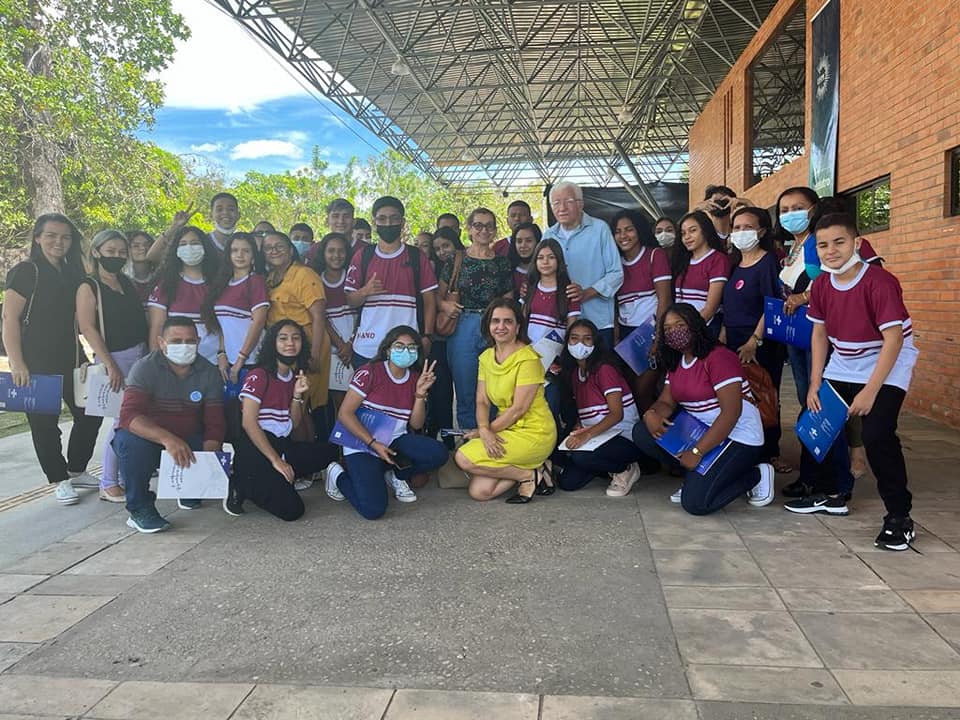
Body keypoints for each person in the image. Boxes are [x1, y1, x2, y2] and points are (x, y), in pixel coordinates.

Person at [791, 213, 920, 551]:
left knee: (876, 435)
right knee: (815, 423)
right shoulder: (821, 285)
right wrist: (815, 382)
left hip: (887, 362)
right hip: (845, 361)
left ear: (857, 243)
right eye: (823, 245)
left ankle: (899, 516)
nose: (831, 250)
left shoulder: (880, 282)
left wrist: (870, 391)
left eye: (839, 242)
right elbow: (819, 333)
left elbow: (894, 340)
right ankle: (830, 493)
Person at [631, 303, 774, 514]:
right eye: (668, 329)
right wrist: (651, 414)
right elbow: (667, 402)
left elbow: (731, 413)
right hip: (702, 430)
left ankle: (755, 475)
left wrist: (698, 451)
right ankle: (699, 476)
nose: (674, 332)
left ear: (695, 325)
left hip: (738, 437)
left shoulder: (719, 357)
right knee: (643, 432)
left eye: (680, 325)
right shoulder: (677, 360)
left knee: (695, 503)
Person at [1, 214, 104, 505]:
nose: (59, 242)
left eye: (65, 237)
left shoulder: (73, 272)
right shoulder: (26, 272)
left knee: (91, 412)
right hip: (35, 360)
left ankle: (76, 469)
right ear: (38, 238)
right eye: (51, 235)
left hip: (73, 356)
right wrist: (17, 362)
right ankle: (59, 479)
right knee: (44, 424)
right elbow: (9, 318)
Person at [113, 317, 225, 532]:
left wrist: (207, 461)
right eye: (176, 341)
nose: (184, 346)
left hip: (189, 437)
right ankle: (140, 509)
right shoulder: (145, 368)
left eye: (190, 341)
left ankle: (189, 488)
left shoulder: (209, 372)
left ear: (198, 342)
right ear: (161, 343)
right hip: (151, 438)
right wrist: (168, 439)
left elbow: (215, 422)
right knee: (129, 442)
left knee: (211, 441)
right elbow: (129, 415)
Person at [325, 326, 448, 518]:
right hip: (361, 444)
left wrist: (420, 394)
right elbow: (345, 414)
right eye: (399, 346)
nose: (405, 351)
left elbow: (416, 425)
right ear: (388, 350)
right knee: (373, 510)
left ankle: (394, 474)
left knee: (438, 453)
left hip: (394, 441)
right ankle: (337, 475)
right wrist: (373, 444)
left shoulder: (415, 378)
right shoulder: (369, 372)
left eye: (411, 347)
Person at [455, 299, 557, 503]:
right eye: (495, 321)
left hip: (534, 432)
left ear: (518, 327)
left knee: (463, 457)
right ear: (488, 325)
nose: (500, 327)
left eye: (508, 321)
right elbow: (482, 401)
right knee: (480, 492)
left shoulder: (528, 359)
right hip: (505, 429)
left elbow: (518, 409)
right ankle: (534, 470)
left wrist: (486, 431)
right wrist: (483, 429)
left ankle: (528, 475)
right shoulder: (486, 357)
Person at [226, 320, 324, 521]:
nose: (290, 343)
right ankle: (240, 482)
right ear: (273, 343)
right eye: (283, 338)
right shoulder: (259, 375)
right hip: (256, 446)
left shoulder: (295, 376)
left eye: (296, 338)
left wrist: (297, 395)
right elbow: (249, 423)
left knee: (329, 451)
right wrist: (276, 461)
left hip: (281, 443)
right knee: (292, 510)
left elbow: (294, 423)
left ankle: (273, 477)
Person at [76, 230, 149, 503]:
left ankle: (122, 475)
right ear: (97, 252)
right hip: (115, 358)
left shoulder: (126, 282)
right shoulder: (89, 286)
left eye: (121, 252)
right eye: (110, 251)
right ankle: (108, 482)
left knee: (134, 418)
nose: (116, 256)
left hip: (139, 355)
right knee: (122, 421)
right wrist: (109, 364)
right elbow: (87, 327)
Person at [719, 207, 789, 472]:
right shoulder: (734, 264)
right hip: (732, 339)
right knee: (739, 396)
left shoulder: (768, 262)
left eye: (747, 227)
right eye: (736, 228)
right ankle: (743, 447)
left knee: (765, 395)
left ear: (761, 232)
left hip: (760, 342)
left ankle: (770, 452)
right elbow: (729, 303)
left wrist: (754, 340)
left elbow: (772, 304)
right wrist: (724, 330)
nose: (740, 232)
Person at [439, 207, 514, 431]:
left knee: (495, 385)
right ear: (469, 229)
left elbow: (508, 298)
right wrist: (446, 306)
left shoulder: (502, 263)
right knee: (465, 387)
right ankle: (468, 440)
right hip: (463, 324)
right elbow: (437, 295)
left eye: (489, 226)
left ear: (495, 230)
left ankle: (492, 436)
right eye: (478, 225)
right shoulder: (456, 259)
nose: (484, 230)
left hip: (494, 326)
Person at [553, 320, 645, 496]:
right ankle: (603, 468)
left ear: (595, 342)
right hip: (596, 437)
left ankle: (625, 468)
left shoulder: (604, 369)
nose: (580, 344)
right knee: (567, 482)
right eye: (574, 338)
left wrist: (586, 435)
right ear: (567, 342)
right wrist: (579, 427)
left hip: (622, 437)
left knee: (581, 457)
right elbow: (586, 410)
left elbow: (616, 414)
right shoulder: (575, 373)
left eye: (587, 339)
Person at [345, 196, 438, 367]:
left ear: (402, 222)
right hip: (367, 348)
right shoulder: (363, 256)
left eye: (393, 218)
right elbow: (350, 300)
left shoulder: (417, 257)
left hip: (407, 348)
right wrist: (365, 291)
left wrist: (427, 336)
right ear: (374, 222)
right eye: (382, 218)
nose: (388, 224)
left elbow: (429, 300)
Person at [201, 233, 269, 441]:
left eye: (246, 251)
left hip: (252, 362)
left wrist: (240, 359)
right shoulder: (223, 284)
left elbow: (258, 322)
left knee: (249, 419)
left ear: (253, 256)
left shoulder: (255, 281)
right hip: (229, 363)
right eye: (234, 250)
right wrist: (222, 353)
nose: (240, 255)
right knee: (229, 420)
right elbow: (223, 324)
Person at [263, 230, 331, 432]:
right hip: (284, 348)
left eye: (279, 246)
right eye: (268, 248)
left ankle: (310, 449)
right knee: (288, 401)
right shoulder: (270, 278)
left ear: (291, 250)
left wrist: (314, 355)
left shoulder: (304, 275)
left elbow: (319, 316)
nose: (274, 251)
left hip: (307, 346)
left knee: (301, 402)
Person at [542, 181, 624, 347]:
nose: (562, 208)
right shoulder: (548, 235)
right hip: (561, 323)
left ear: (580, 204)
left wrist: (587, 293)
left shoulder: (599, 229)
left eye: (568, 201)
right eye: (556, 203)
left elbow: (616, 273)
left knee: (601, 363)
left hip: (597, 320)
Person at [612, 209, 672, 409]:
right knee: (630, 394)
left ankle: (651, 427)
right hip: (626, 335)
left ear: (639, 230)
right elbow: (615, 305)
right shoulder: (615, 262)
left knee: (642, 392)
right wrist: (617, 337)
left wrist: (658, 337)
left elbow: (665, 299)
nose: (623, 235)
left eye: (629, 229)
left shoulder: (655, 255)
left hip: (649, 333)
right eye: (618, 231)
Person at [147, 225, 221, 364]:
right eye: (183, 244)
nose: (189, 248)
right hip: (176, 362)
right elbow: (157, 327)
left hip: (214, 361)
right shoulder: (166, 285)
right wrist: (156, 364)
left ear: (205, 247)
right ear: (176, 250)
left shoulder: (218, 283)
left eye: (194, 243)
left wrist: (222, 354)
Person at [426, 227, 463, 447]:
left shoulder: (466, 264)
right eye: (437, 248)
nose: (442, 252)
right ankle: (444, 438)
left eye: (446, 246)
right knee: (440, 391)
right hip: (439, 338)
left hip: (462, 334)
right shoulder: (429, 269)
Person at [312, 232, 357, 404]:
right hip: (333, 349)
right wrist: (340, 345)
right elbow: (321, 318)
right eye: (331, 251)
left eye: (341, 251)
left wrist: (351, 343)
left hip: (357, 344)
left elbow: (363, 315)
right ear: (323, 253)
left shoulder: (355, 277)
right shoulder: (316, 281)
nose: (336, 255)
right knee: (338, 399)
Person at [671, 210, 729, 335]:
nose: (687, 237)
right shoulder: (682, 261)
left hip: (704, 329)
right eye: (683, 233)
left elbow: (710, 308)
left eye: (692, 230)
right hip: (680, 329)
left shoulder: (718, 259)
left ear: (705, 230)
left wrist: (688, 331)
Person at [522, 238, 581, 344]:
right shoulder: (529, 288)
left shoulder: (569, 291)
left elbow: (571, 328)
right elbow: (522, 320)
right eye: (540, 258)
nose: (545, 262)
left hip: (555, 350)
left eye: (551, 257)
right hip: (528, 348)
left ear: (559, 260)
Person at [125, 230, 158, 306]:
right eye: (136, 246)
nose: (143, 248)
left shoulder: (160, 277)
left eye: (147, 245)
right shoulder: (122, 279)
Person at [508, 221, 540, 298]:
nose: (523, 245)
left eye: (529, 241)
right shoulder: (507, 269)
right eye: (519, 241)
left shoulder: (545, 268)